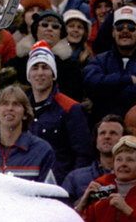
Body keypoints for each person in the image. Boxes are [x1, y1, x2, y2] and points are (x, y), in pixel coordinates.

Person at [23, 41, 92, 183]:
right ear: (28, 75)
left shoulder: (71, 108)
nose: (40, 73)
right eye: (35, 68)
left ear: (53, 75)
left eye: (45, 67)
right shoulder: (21, 108)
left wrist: (71, 185)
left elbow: (83, 155)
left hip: (58, 185)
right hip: (25, 183)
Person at [0, 85, 56, 183]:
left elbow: (49, 196)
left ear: (25, 114)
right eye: (5, 104)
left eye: (16, 104)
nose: (10, 108)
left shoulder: (42, 151)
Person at [75, 135, 136, 222]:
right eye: (119, 159)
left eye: (130, 160)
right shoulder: (98, 200)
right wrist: (81, 205)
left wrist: (128, 211)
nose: (123, 164)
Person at [84, 6, 136, 120]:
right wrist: (127, 80)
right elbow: (91, 83)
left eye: (131, 27)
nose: (125, 31)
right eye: (119, 27)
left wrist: (109, 89)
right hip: (104, 129)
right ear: (113, 33)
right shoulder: (99, 60)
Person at [62, 115, 127, 204]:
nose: (107, 136)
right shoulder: (75, 178)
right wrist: (84, 201)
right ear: (96, 141)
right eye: (102, 133)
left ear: (124, 140)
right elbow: (62, 212)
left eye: (113, 133)